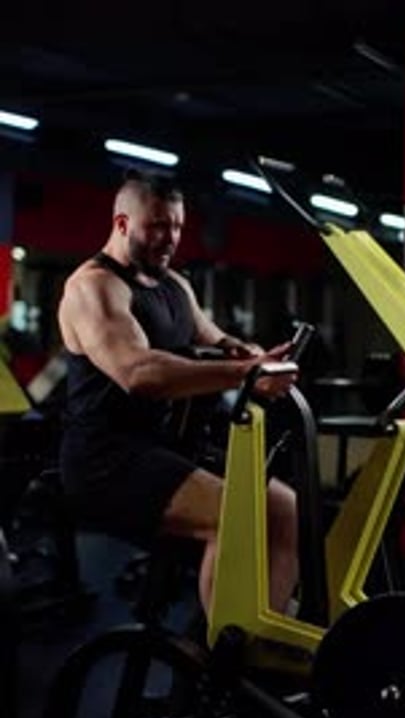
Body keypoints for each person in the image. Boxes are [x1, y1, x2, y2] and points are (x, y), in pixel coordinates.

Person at [58, 169, 298, 617]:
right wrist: (244, 372)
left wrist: (248, 353)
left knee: (283, 507)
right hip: (105, 462)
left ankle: (265, 636)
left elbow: (214, 336)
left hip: (160, 449)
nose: (170, 238)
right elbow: (139, 373)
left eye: (177, 226)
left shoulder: (174, 285)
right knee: (235, 516)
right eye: (157, 226)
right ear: (122, 223)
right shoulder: (94, 288)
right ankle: (222, 662)